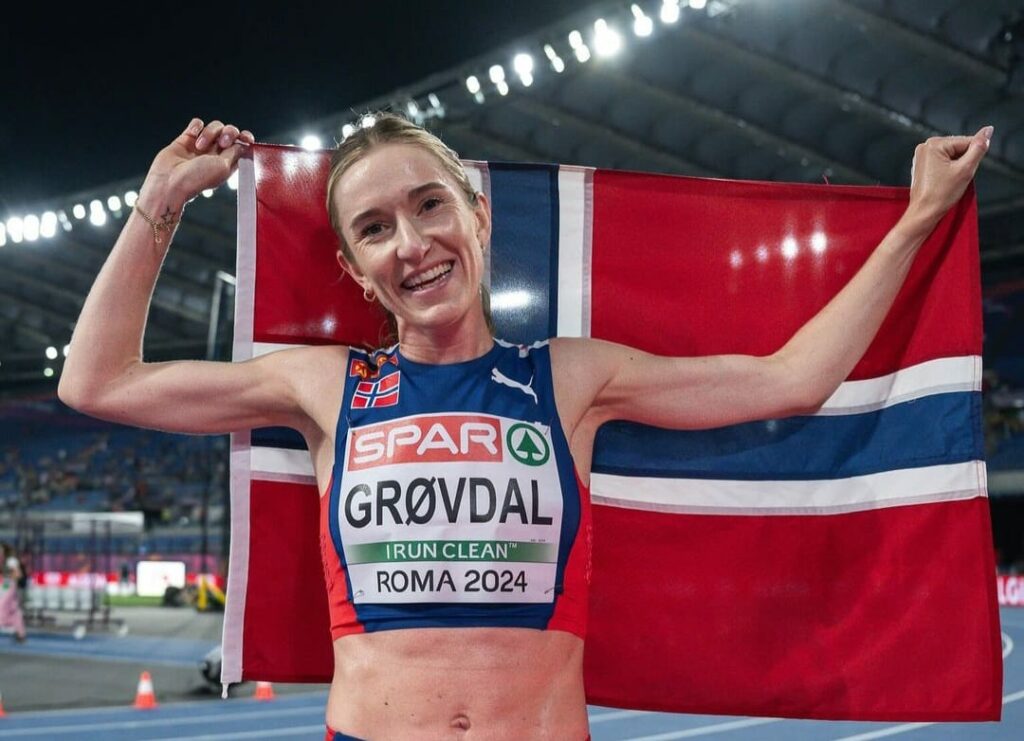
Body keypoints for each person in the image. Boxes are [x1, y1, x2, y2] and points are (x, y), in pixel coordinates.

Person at [58, 113, 991, 740]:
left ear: (478, 212)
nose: (412, 244)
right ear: (354, 270)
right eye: (374, 228)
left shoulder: (571, 377)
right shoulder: (324, 386)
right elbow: (97, 381)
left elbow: (794, 378)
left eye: (429, 204)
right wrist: (161, 202)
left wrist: (918, 219)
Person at [0, 542, 26, 643]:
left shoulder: (11, 560)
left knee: (2, 606)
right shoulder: (3, 560)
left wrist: (7, 575)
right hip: (4, 585)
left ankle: (6, 624)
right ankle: (20, 633)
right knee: (14, 610)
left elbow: (18, 575)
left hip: (9, 585)